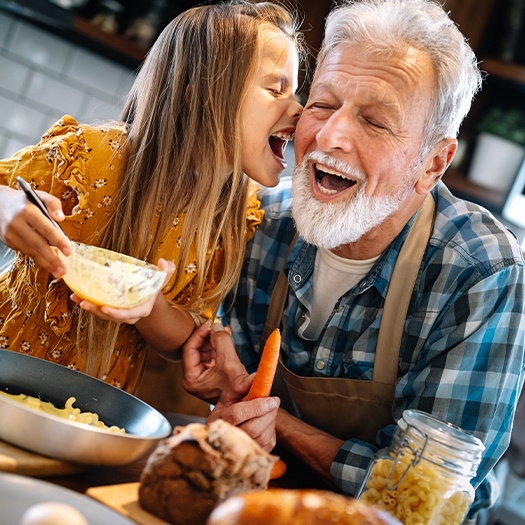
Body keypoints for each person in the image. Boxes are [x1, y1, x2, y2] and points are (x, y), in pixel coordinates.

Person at [182, 0, 525, 521]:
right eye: (322, 104)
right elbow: (239, 408)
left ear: (433, 162)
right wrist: (229, 389)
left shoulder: (479, 271)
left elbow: (428, 497)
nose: (330, 137)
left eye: (375, 121)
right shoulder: (263, 226)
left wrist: (282, 427)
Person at [0, 0, 303, 396]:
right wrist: (5, 207)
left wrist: (148, 304)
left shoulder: (233, 214)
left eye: (295, 93)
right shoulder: (91, 158)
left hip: (90, 410)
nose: (299, 110)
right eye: (275, 89)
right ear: (201, 97)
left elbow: (185, 338)